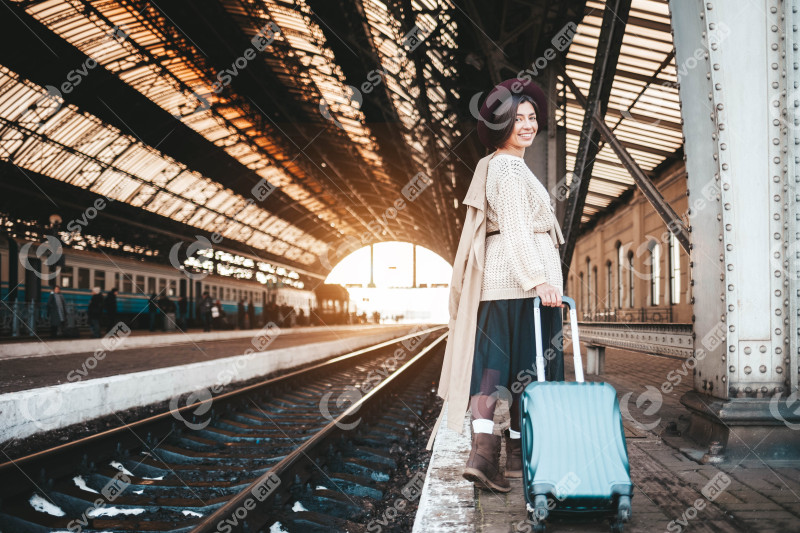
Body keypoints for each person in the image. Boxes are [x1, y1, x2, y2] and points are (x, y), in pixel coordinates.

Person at [428, 78, 566, 493]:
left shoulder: (509, 165)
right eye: (516, 119)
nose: (526, 125)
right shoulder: (506, 166)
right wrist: (538, 280)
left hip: (506, 286)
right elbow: (518, 228)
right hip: (520, 288)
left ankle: (486, 458)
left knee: (492, 371)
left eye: (530, 118)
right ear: (501, 127)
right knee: (529, 373)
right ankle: (509, 460)